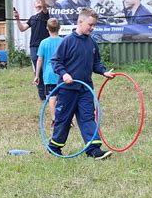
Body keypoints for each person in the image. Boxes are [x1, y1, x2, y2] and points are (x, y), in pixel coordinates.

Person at [49, 8, 115, 159]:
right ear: (80, 21)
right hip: (67, 89)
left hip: (85, 89)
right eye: (90, 25)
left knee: (87, 118)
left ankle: (94, 150)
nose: (92, 28)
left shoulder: (92, 43)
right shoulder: (67, 41)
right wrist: (64, 74)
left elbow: (96, 63)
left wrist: (104, 72)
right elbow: (56, 61)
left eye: (94, 25)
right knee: (63, 120)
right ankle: (54, 147)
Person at [14, 0, 50, 101]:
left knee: (47, 70)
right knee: (38, 72)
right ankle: (42, 97)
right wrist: (17, 19)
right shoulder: (32, 18)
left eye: (40, 0)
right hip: (34, 47)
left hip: (44, 46)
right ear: (34, 4)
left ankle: (51, 94)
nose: (38, 1)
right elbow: (22, 28)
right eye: (36, 0)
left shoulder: (44, 15)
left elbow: (44, 5)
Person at [34, 18, 62, 128]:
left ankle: (54, 120)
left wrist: (37, 75)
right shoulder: (63, 41)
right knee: (63, 97)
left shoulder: (43, 43)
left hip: (49, 75)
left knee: (51, 97)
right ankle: (65, 119)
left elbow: (39, 60)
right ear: (59, 28)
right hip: (61, 74)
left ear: (47, 28)